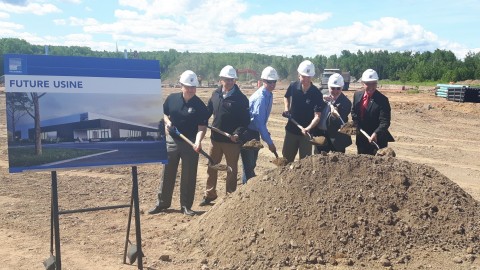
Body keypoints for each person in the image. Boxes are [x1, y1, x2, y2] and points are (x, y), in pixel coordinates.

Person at [148, 70, 209, 216]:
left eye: (193, 87)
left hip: (190, 144)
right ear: (181, 85)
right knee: (167, 173)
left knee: (189, 175)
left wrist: (198, 141)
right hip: (172, 141)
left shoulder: (200, 106)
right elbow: (162, 113)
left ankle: (186, 206)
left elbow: (202, 128)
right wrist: (167, 122)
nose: (190, 90)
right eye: (188, 86)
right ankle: (162, 203)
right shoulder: (172, 99)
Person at [200, 65, 250, 206]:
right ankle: (210, 194)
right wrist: (201, 120)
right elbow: (208, 111)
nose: (228, 82)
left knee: (231, 169)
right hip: (215, 139)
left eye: (231, 80)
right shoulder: (215, 94)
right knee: (212, 167)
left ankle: (230, 196)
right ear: (221, 80)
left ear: (234, 80)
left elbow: (245, 121)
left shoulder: (241, 99)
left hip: (231, 142)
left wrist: (237, 133)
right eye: (226, 79)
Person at [240, 66, 279, 184]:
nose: (272, 84)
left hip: (255, 132)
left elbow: (261, 124)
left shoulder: (269, 94)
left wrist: (264, 133)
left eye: (274, 82)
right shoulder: (261, 98)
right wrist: (270, 143)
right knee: (248, 167)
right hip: (248, 134)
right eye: (269, 82)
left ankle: (247, 189)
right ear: (263, 81)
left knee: (251, 165)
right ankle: (245, 193)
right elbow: (259, 123)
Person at [282, 60, 325, 163]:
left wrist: (308, 128)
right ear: (298, 75)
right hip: (291, 130)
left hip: (306, 135)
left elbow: (317, 116)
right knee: (286, 160)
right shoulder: (293, 86)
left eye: (308, 77)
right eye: (303, 76)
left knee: (305, 163)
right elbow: (286, 97)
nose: (306, 79)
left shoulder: (316, 93)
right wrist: (287, 108)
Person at [351, 68, 394, 155]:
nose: (371, 86)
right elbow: (354, 112)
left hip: (377, 141)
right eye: (368, 84)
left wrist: (376, 133)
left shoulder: (383, 100)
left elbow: (385, 122)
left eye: (374, 83)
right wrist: (356, 123)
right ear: (362, 83)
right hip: (362, 139)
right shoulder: (357, 95)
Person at [314, 73, 352, 153]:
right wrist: (321, 100)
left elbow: (336, 121)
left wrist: (333, 108)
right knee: (319, 160)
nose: (335, 91)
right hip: (321, 135)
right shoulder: (321, 94)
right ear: (328, 86)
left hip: (337, 138)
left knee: (338, 162)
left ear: (342, 87)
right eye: (333, 88)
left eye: (338, 88)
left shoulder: (346, 103)